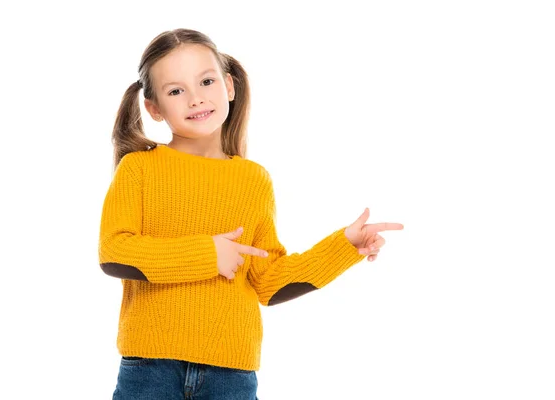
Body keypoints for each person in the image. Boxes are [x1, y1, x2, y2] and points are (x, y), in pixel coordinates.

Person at [98, 27, 404, 400]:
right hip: (150, 369)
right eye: (176, 90)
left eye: (206, 82)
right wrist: (207, 255)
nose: (195, 99)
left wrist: (342, 248)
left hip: (231, 375)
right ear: (154, 108)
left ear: (229, 86)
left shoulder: (253, 180)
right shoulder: (138, 169)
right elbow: (115, 252)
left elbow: (267, 281)